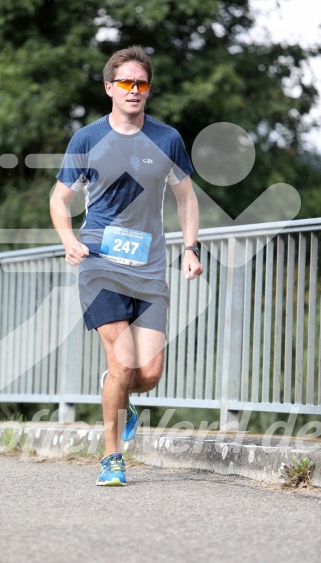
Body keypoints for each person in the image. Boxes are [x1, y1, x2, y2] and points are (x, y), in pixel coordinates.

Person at [50, 45, 203, 486]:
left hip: (150, 268)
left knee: (147, 374)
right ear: (109, 88)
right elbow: (60, 199)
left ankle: (116, 389)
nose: (134, 91)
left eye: (141, 84)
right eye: (125, 83)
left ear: (148, 89)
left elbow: (186, 198)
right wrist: (68, 239)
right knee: (123, 367)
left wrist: (191, 248)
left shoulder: (166, 138)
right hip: (101, 264)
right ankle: (112, 458)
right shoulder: (88, 138)